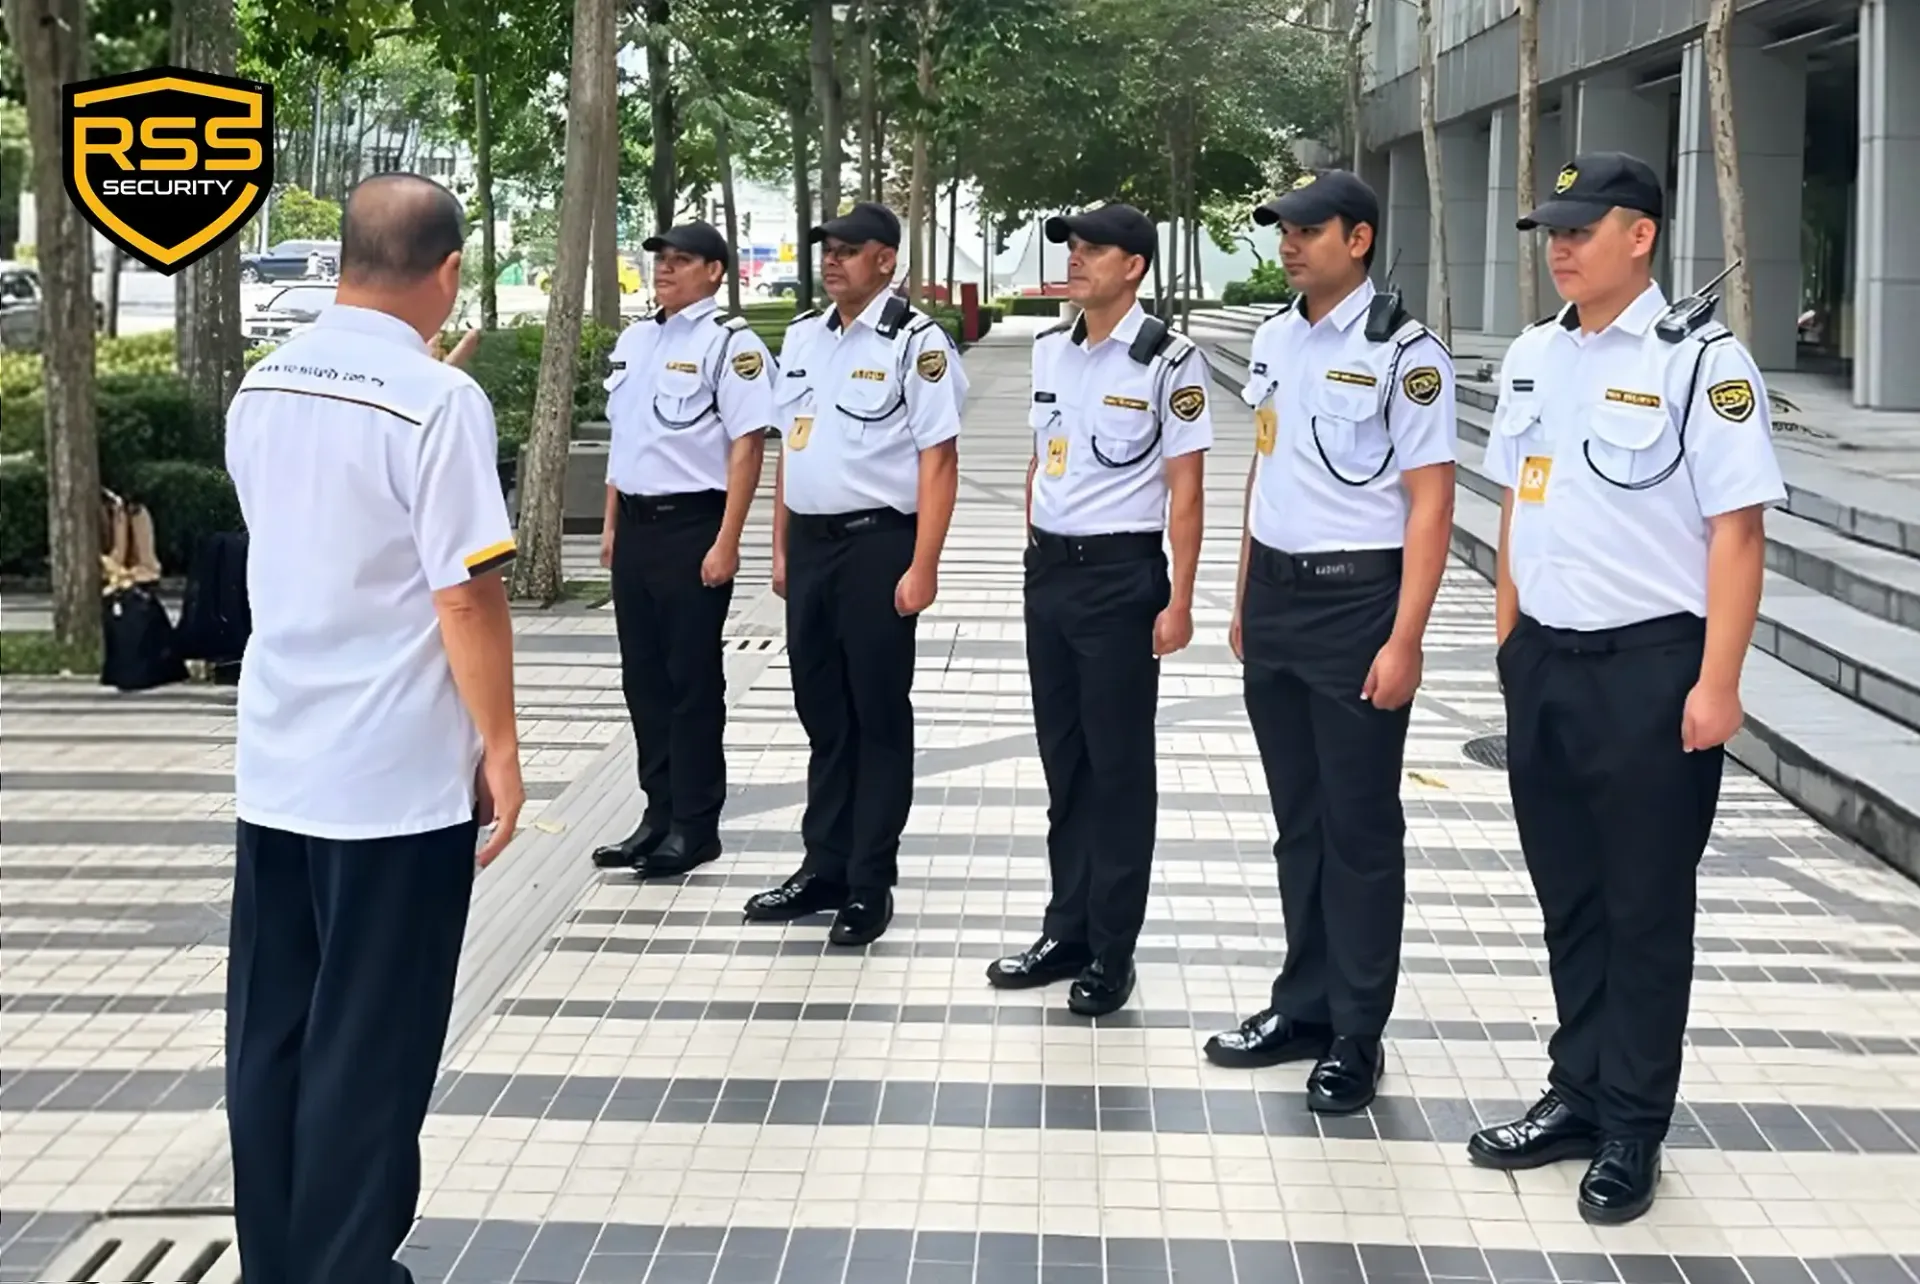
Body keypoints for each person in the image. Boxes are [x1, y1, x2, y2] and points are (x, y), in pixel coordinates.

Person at [1464, 152, 1783, 1226]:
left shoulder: (1705, 361)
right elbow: (1517, 503)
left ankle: (1633, 1126)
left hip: (1654, 671)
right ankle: (1578, 1089)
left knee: (1645, 909)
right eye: (1550, 231)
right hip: (1547, 666)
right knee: (1571, 901)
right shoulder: (1531, 355)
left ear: (1638, 235)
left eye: (1579, 228)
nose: (1558, 246)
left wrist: (1718, 682)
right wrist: (1511, 648)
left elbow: (1738, 532)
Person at [222, 173, 523, 1284]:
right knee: (372, 1039)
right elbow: (464, 596)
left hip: (279, 765)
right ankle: (346, 1266)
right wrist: (500, 746)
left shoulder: (263, 383)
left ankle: (279, 1260)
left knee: (273, 1035)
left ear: (345, 257)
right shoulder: (437, 405)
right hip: (393, 782)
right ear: (446, 273)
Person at [1201, 170, 1456, 1115]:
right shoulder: (1274, 337)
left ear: (1359, 239)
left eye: (1309, 229)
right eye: (1282, 228)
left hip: (1358, 608)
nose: (1289, 242)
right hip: (1275, 600)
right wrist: (1240, 595)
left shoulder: (1406, 353)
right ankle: (1301, 1003)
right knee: (1297, 821)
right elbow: (1264, 472)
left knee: (1357, 829)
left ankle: (1357, 1030)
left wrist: (1406, 638)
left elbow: (1432, 502)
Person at [984, 203, 1209, 1017]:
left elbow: (1187, 491)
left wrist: (1181, 598)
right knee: (1064, 762)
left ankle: (1113, 949)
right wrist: (1031, 551)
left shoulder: (1167, 361)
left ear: (1135, 266)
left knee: (1117, 771)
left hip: (1120, 580)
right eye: (1071, 248)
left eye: (1093, 250)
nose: (1076, 260)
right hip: (1050, 575)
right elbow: (1041, 467)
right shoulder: (1052, 350)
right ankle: (1066, 927)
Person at [740, 201, 966, 946]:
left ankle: (870, 880)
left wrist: (923, 564)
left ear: (886, 261)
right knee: (822, 711)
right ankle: (823, 866)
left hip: (877, 545)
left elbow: (938, 460)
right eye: (827, 249)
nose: (832, 260)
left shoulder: (917, 342)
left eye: (849, 250)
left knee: (876, 714)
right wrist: (778, 547)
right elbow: (789, 450)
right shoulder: (804, 337)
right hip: (810, 547)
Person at [588, 221, 775, 877]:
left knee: (691, 681)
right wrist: (612, 523)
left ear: (714, 272)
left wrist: (729, 539)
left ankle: (695, 825)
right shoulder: (636, 340)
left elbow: (748, 444)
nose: (665, 269)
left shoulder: (732, 346)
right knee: (644, 680)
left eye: (681, 261)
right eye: (661, 259)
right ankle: (656, 814)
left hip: (694, 527)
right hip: (637, 527)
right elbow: (625, 441)